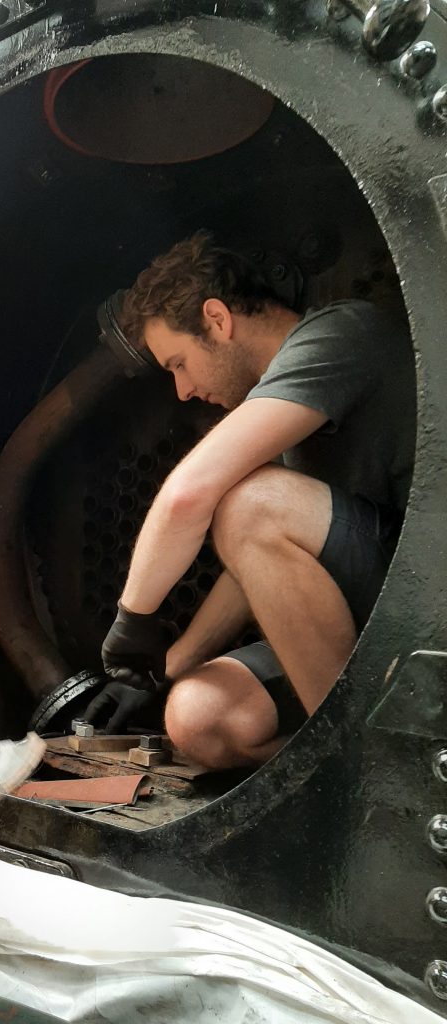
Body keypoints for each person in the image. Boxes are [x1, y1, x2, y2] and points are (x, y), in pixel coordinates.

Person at [84, 232, 415, 769]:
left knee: (247, 503)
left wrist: (131, 619)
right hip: (357, 623)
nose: (182, 391)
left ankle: (361, 771)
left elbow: (193, 494)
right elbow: (255, 565)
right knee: (197, 718)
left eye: (178, 363)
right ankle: (343, 758)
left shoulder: (339, 333)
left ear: (217, 319)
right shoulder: (280, 410)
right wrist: (162, 671)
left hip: (418, 602)